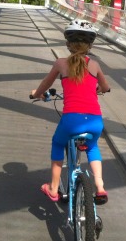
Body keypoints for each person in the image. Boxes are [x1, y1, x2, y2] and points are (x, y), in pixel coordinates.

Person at [31, 19, 111, 205]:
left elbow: (45, 85)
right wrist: (100, 89)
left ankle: (53, 188)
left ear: (68, 44)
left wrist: (36, 94)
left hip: (71, 120)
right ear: (90, 45)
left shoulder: (60, 63)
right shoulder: (95, 65)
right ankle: (99, 187)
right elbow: (105, 87)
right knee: (92, 147)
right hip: (95, 121)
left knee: (58, 144)